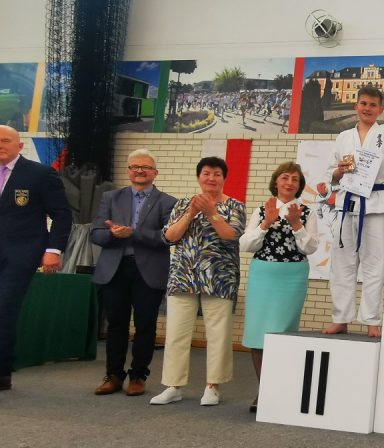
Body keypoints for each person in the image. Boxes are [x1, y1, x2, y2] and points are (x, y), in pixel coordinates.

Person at [323, 84, 384, 337]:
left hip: (376, 203)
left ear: (380, 109)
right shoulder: (343, 137)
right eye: (363, 104)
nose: (367, 108)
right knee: (342, 264)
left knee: (374, 264)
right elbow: (330, 175)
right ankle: (341, 318)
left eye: (372, 105)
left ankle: (372, 320)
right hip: (346, 203)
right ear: (356, 106)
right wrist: (339, 172)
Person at [150, 157, 246, 406]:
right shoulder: (183, 204)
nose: (211, 178)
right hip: (183, 276)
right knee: (176, 333)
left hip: (220, 277)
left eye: (216, 174)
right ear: (198, 177)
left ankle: (213, 386)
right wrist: (192, 212)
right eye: (206, 173)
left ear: (224, 178)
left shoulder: (235, 206)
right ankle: (173, 386)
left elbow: (231, 235)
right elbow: (170, 237)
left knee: (218, 334)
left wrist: (211, 213)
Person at [90, 149, 177, 396]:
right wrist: (112, 234)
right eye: (135, 166)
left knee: (145, 325)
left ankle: (138, 375)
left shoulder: (168, 202)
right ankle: (113, 375)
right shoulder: (111, 197)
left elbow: (169, 237)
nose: (140, 170)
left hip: (149, 271)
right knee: (115, 324)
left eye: (146, 167)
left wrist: (133, 233)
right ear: (128, 171)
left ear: (155, 173)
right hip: (114, 269)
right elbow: (96, 234)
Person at [240, 162, 318, 412]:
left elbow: (310, 248)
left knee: (283, 334)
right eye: (285, 177)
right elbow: (245, 245)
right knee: (258, 333)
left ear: (300, 185)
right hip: (263, 274)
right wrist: (266, 223)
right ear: (276, 181)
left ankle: (281, 389)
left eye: (295, 179)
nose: (289, 183)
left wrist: (296, 225)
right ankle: (264, 391)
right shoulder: (262, 210)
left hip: (292, 276)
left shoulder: (307, 212)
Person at [0, 125, 71, 391]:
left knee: (4, 309)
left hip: (20, 255)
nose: (0, 145)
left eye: (5, 140)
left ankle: (2, 372)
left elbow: (62, 214)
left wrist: (53, 250)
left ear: (20, 146)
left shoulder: (39, 174)